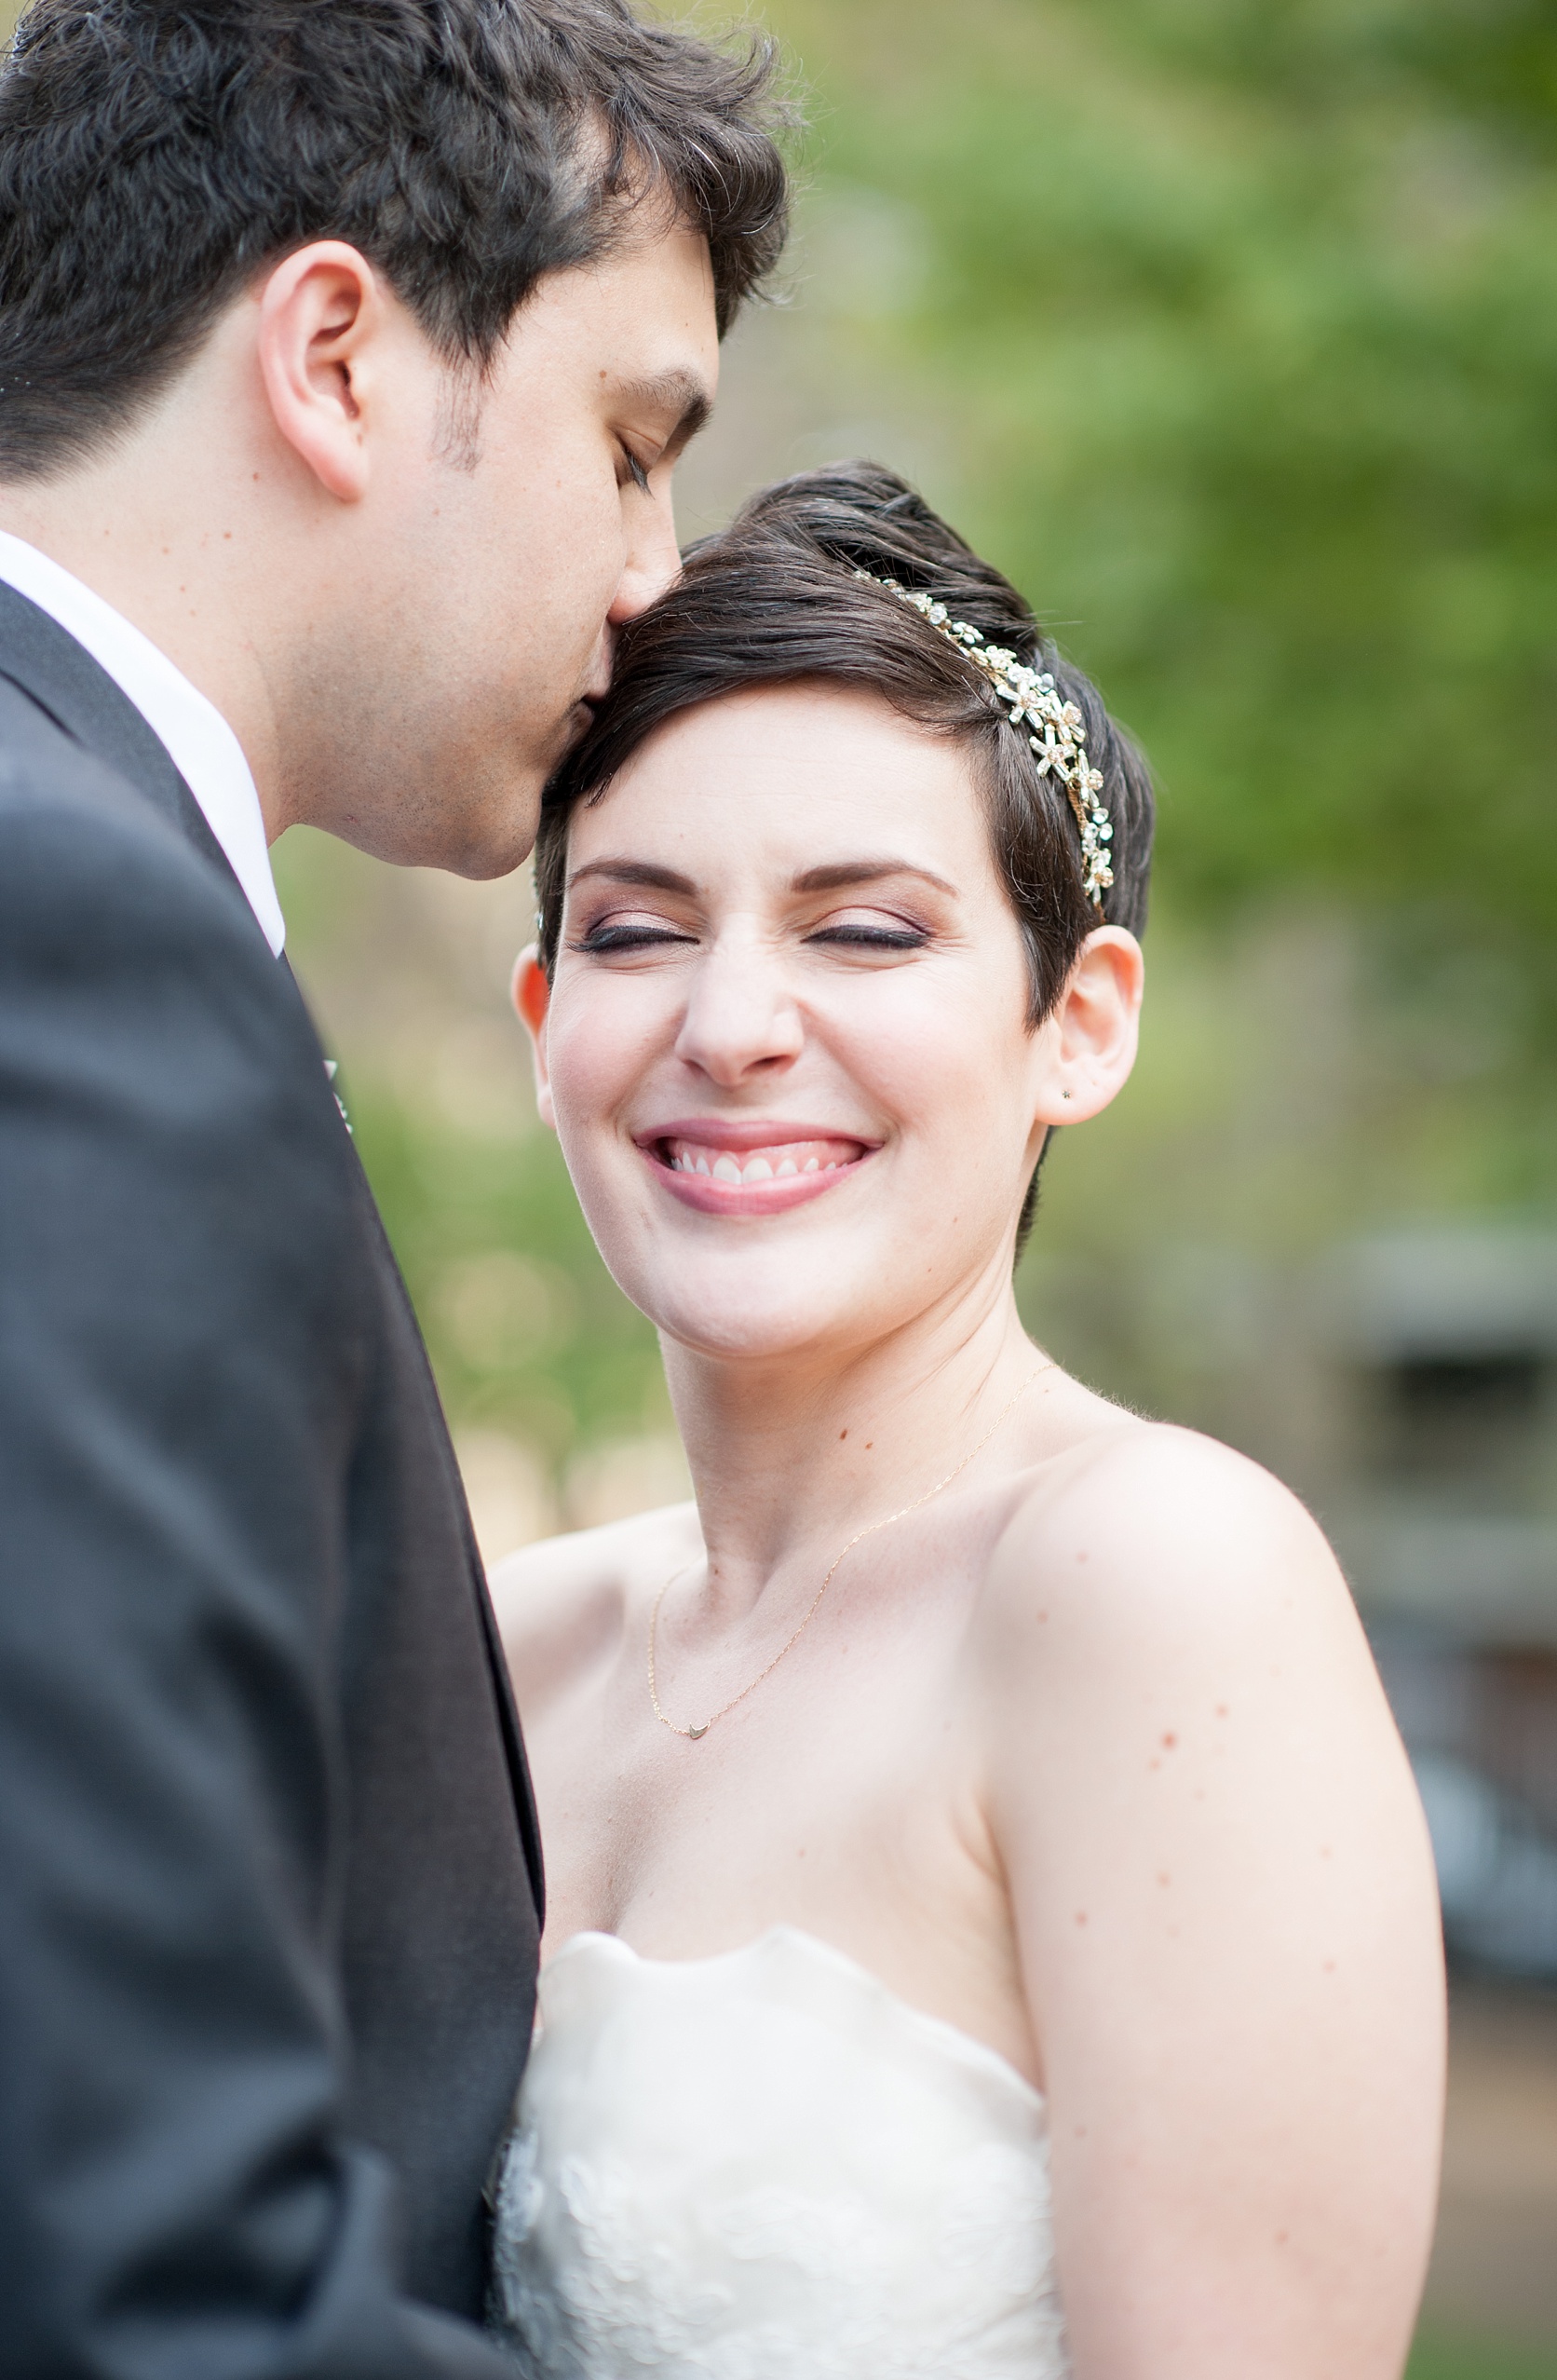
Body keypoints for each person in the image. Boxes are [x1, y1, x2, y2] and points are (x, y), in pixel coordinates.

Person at [0, 5, 789, 2373]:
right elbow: (137, 2267)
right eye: (632, 443)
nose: (658, 575)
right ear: (336, 355)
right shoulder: (77, 937)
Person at [490, 461, 1447, 2379]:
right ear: (539, 1022)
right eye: (634, 930)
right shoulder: (502, 1645)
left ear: (1076, 1026)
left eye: (864, 932)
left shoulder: (1152, 1582)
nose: (733, 1022)